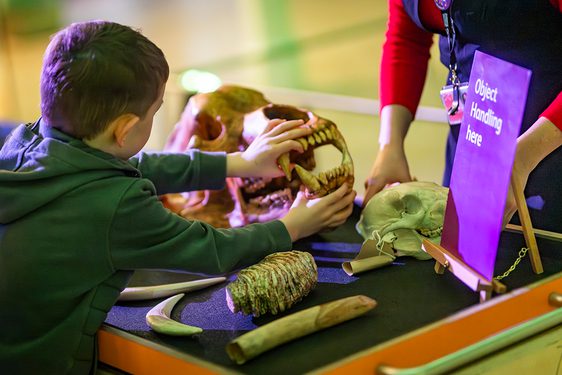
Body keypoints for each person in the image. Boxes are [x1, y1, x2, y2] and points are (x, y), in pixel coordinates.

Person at [0, 21, 356, 374]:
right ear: (124, 129)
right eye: (154, 112)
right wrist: (292, 225)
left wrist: (240, 163)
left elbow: (136, 165)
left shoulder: (25, 144)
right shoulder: (116, 205)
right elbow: (215, 251)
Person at [364, 0, 562, 232]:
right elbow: (407, 35)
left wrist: (523, 157)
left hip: (550, 152)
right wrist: (390, 144)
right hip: (470, 145)